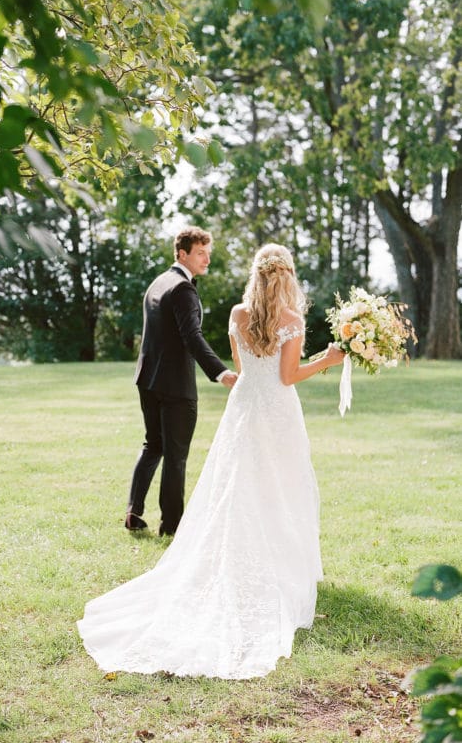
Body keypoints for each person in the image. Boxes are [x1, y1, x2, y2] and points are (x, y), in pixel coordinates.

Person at [77, 243, 345, 679]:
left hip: (244, 408)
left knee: (237, 487)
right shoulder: (292, 321)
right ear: (288, 276)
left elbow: (244, 364)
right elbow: (287, 376)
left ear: (256, 275)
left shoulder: (238, 315)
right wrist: (328, 360)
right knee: (280, 485)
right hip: (276, 411)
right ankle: (278, 570)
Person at [125, 226, 238, 537]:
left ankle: (133, 511)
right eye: (200, 253)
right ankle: (171, 526)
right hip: (175, 386)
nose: (207, 260)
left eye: (208, 253)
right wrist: (220, 371)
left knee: (153, 445)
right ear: (182, 253)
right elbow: (192, 337)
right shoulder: (183, 288)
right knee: (176, 456)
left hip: (147, 379)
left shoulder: (157, 283)